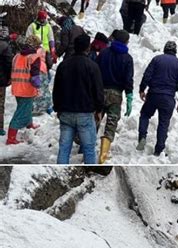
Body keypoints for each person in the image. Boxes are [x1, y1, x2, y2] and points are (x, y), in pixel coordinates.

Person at [52, 33, 104, 165]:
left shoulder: (63, 65)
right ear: (87, 48)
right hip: (85, 113)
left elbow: (56, 89)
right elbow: (98, 91)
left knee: (64, 149)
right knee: (89, 149)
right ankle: (90, 169)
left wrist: (57, 108)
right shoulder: (93, 66)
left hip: (66, 112)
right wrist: (99, 109)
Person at [137, 41, 178, 157]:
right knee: (163, 123)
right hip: (168, 98)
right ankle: (158, 149)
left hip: (153, 94)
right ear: (175, 51)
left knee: (145, 115)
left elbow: (147, 75)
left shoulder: (157, 59)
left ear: (164, 49)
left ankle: (142, 137)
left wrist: (142, 89)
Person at [96, 29, 134, 163]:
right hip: (116, 95)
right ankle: (103, 155)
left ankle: (85, 146)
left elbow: (95, 70)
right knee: (111, 123)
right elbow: (128, 80)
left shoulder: (104, 52)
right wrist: (129, 96)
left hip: (100, 92)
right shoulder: (128, 58)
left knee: (95, 119)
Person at [6, 35, 41, 145]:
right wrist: (39, 86)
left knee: (26, 107)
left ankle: (29, 124)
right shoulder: (34, 57)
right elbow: (35, 78)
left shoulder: (16, 56)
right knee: (21, 112)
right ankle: (11, 137)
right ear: (35, 45)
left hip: (17, 87)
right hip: (27, 89)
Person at [0, 24, 13, 136]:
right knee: (0, 104)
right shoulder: (6, 46)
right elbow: (9, 63)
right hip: (1, 79)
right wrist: (10, 77)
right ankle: (0, 128)